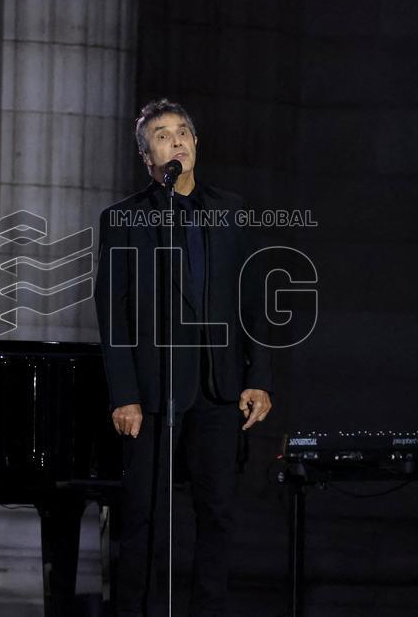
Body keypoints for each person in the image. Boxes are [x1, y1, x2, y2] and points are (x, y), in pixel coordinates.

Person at [95, 99, 273, 615]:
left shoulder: (232, 211)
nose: (175, 141)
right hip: (152, 392)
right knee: (146, 516)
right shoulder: (125, 219)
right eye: (161, 135)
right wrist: (123, 394)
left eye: (182, 133)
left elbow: (253, 302)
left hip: (218, 388)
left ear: (195, 144)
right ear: (147, 158)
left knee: (217, 513)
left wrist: (258, 377)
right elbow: (114, 313)